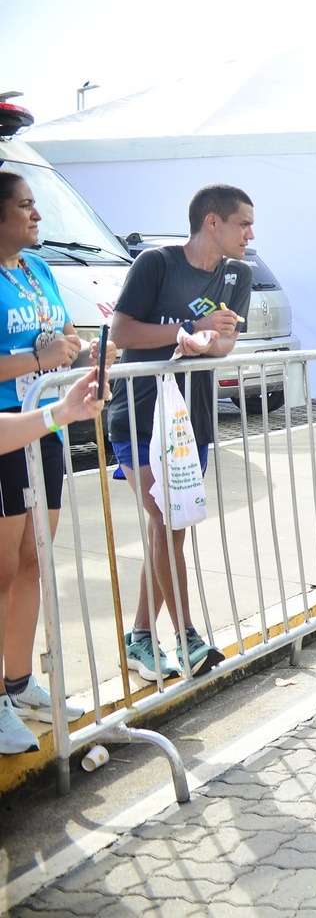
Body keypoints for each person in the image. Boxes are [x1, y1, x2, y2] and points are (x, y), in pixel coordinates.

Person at [108, 184, 254, 682]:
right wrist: (182, 331)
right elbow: (121, 333)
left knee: (171, 528)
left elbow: (223, 346)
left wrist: (207, 341)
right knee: (164, 521)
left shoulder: (240, 274)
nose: (250, 234)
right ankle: (188, 636)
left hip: (191, 422)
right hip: (139, 415)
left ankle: (141, 637)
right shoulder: (157, 263)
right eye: (243, 224)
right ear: (212, 223)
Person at [0, 171, 114, 754]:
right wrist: (32, 359)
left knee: (32, 562)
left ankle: (18, 683)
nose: (37, 215)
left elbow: (63, 338)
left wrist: (90, 354)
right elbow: (31, 354)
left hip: (44, 429)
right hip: (3, 434)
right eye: (25, 206)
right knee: (0, 570)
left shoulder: (39, 271)